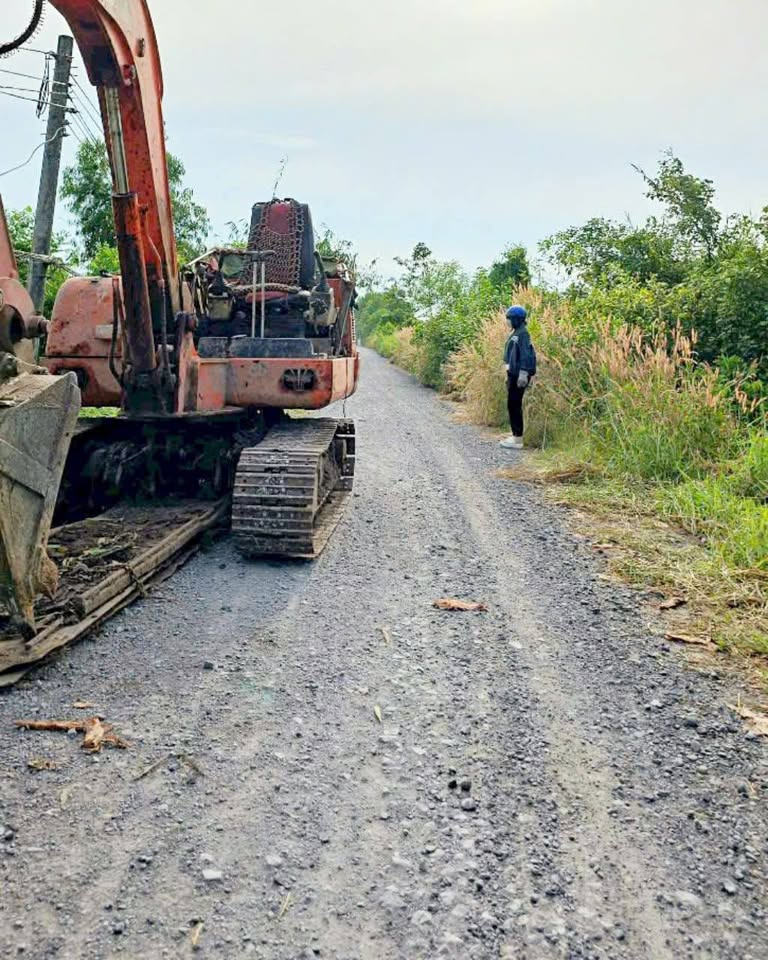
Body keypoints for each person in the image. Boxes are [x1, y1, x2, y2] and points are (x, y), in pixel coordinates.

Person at [499, 304, 536, 449]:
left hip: (519, 375)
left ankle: (517, 439)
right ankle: (515, 436)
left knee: (514, 405)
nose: (507, 321)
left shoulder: (523, 334)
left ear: (516, 319)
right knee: (512, 404)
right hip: (513, 374)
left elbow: (526, 355)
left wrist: (523, 373)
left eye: (509, 318)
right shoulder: (516, 332)